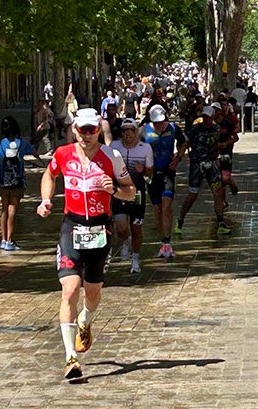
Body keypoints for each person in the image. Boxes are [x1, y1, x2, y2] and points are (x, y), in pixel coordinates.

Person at [37, 107, 134, 380]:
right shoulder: (63, 153)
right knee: (70, 289)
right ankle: (71, 358)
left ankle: (86, 320)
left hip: (100, 228)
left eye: (91, 130)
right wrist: (46, 200)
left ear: (98, 130)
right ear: (74, 129)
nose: (86, 135)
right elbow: (49, 174)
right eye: (82, 130)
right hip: (72, 226)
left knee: (92, 292)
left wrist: (113, 190)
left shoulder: (111, 156)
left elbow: (131, 191)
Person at [0, 117, 42, 251]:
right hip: (17, 181)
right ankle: (10, 241)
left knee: (4, 209)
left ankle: (3, 240)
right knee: (13, 209)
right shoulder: (22, 143)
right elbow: (35, 153)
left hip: (3, 181)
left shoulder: (0, 143)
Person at [176, 102, 230, 237]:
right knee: (192, 196)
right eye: (204, 116)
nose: (206, 119)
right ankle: (180, 220)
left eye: (208, 117)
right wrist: (179, 156)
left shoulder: (216, 129)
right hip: (196, 165)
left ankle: (221, 223)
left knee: (217, 192)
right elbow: (185, 143)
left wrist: (218, 157)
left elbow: (216, 145)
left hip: (211, 165)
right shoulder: (195, 129)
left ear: (212, 117)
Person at [110, 119, 153, 274]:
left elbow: (150, 174)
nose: (128, 134)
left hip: (137, 194)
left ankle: (135, 258)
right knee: (121, 228)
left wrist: (143, 171)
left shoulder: (145, 148)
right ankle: (126, 241)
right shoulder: (114, 147)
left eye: (131, 130)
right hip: (119, 193)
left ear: (136, 132)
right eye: (125, 131)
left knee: (136, 227)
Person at [143, 105, 185, 260]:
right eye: (156, 122)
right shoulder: (143, 130)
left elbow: (184, 142)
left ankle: (168, 241)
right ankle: (162, 241)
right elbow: (134, 146)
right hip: (151, 173)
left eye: (161, 121)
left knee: (167, 204)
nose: (160, 125)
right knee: (158, 208)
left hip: (168, 171)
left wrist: (178, 157)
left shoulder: (173, 128)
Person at [216, 93, 240, 199]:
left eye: (225, 105)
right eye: (221, 105)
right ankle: (222, 200)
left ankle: (231, 184)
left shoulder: (230, 119)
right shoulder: (210, 121)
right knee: (219, 178)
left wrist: (227, 142)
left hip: (226, 150)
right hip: (214, 152)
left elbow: (236, 134)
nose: (223, 108)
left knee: (224, 177)